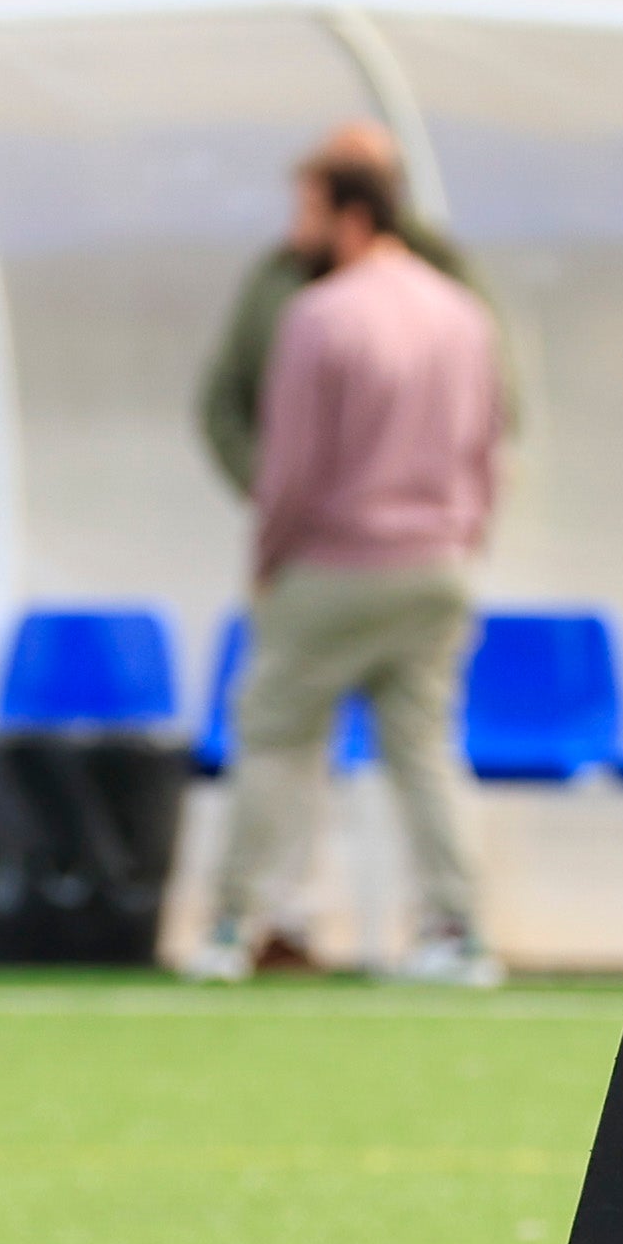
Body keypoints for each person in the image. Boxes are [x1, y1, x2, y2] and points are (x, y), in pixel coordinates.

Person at [185, 152, 506, 987]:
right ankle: (458, 931)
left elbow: (289, 468)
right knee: (425, 752)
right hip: (438, 565)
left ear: (352, 219)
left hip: (334, 562)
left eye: (309, 213)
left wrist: (267, 561)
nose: (297, 234)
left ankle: (234, 922)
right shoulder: (464, 314)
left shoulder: (319, 315)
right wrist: (464, 543)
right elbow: (486, 451)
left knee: (272, 738)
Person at [196, 119, 503, 501]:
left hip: (415, 527)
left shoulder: (443, 282)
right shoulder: (277, 278)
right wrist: (268, 483)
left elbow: (495, 398)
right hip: (313, 528)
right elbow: (223, 398)